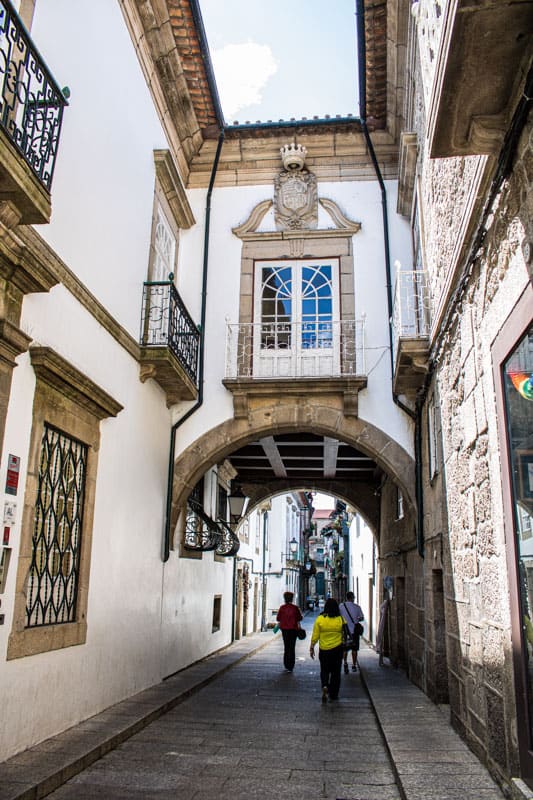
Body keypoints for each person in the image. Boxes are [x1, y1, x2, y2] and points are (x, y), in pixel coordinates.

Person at [309, 597, 346, 702]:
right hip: (337, 649)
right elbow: (345, 634)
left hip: (324, 649)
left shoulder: (320, 619)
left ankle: (325, 685)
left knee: (324, 669)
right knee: (336, 672)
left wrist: (312, 647)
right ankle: (333, 694)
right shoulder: (341, 619)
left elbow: (315, 635)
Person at [276, 591, 303, 672]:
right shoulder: (295, 608)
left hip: (284, 630)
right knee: (292, 647)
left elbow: (278, 618)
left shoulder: (282, 608)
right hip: (293, 630)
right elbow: (300, 618)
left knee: (286, 647)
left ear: (285, 599)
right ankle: (291, 666)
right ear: (292, 598)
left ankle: (286, 664)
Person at [339, 591, 364, 673]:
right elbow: (361, 618)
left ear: (346, 597)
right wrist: (356, 619)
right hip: (354, 631)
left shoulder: (341, 606)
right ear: (352, 598)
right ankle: (353, 665)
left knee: (345, 649)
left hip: (345, 631)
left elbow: (339, 617)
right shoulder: (357, 607)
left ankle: (345, 663)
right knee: (354, 649)